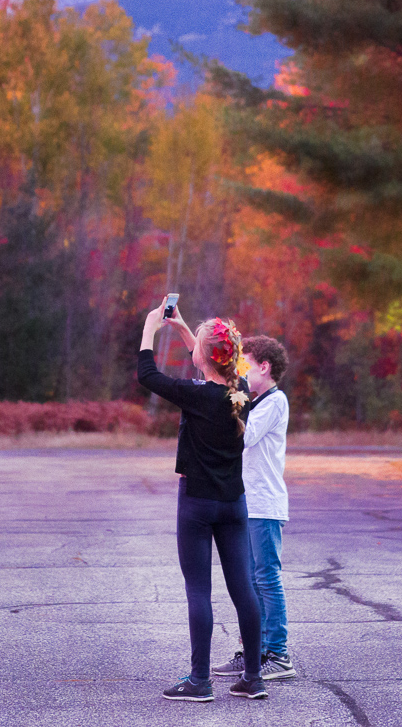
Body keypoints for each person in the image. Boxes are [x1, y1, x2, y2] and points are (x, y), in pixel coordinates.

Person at [137, 297, 266, 702]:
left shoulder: (195, 394)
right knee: (242, 587)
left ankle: (199, 681)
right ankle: (254, 677)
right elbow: (211, 361)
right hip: (234, 503)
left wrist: (150, 327)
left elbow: (146, 374)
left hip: (197, 503)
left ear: (205, 358)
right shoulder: (239, 390)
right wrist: (182, 330)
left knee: (199, 590)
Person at [213, 335, 296, 680]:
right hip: (250, 502)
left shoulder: (275, 401)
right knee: (249, 581)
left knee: (266, 579)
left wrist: (232, 394)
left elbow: (243, 436)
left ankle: (278, 654)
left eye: (246, 365)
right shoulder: (259, 401)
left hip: (265, 504)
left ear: (265, 367)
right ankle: (254, 651)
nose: (241, 371)